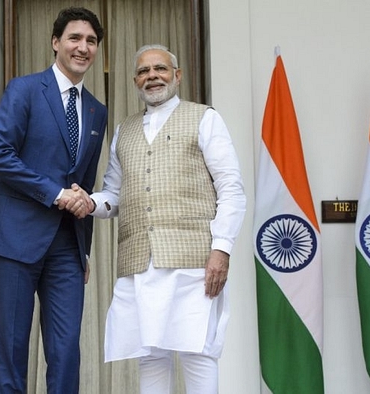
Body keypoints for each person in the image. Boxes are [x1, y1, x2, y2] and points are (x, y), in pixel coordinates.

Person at [80, 44, 246, 393]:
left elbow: (231, 188)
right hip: (140, 264)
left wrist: (222, 249)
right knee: (150, 356)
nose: (152, 76)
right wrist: (88, 203)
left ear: (177, 75)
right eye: (143, 71)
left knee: (197, 353)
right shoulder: (124, 131)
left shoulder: (204, 117)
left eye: (160, 69)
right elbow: (114, 195)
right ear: (135, 80)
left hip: (193, 262)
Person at [0, 7, 106, 394]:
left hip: (67, 247)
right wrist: (54, 193)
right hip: (14, 241)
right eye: (74, 38)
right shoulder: (25, 89)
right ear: (56, 43)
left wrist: (83, 250)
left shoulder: (96, 110)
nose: (82, 47)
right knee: (12, 352)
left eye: (91, 41)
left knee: (67, 352)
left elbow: (82, 184)